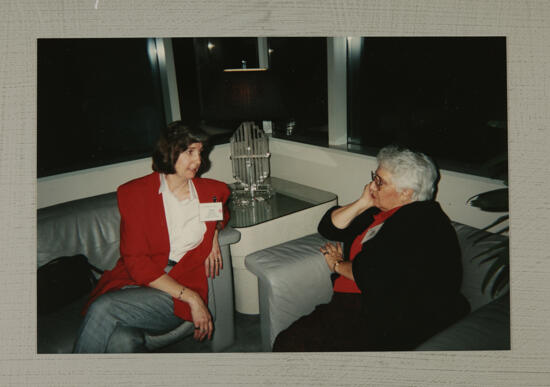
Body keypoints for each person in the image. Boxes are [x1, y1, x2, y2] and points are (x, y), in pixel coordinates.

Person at [272, 145, 470, 351]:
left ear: (406, 193)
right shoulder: (380, 212)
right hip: (354, 304)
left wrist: (338, 265)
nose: (371, 185)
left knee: (292, 345)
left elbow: (375, 275)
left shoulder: (421, 221)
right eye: (374, 177)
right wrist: (363, 203)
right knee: (290, 342)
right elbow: (329, 228)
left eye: (379, 182)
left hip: (382, 314)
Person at [73, 121, 231, 353]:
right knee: (122, 341)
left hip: (178, 287)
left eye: (200, 152)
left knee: (103, 309)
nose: (198, 161)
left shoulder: (212, 191)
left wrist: (214, 235)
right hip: (133, 283)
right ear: (170, 151)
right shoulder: (134, 194)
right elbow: (136, 262)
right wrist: (194, 299)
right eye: (190, 152)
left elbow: (221, 216)